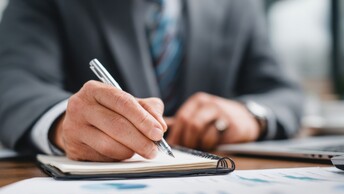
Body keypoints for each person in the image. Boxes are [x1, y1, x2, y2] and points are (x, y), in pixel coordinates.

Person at [0, 0, 303, 162]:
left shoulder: (239, 5)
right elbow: (13, 83)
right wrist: (63, 123)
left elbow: (283, 92)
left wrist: (250, 115)